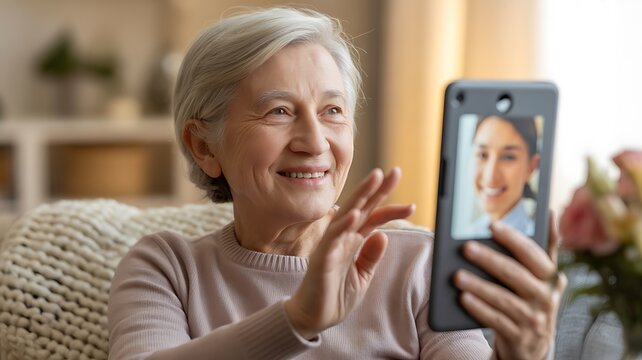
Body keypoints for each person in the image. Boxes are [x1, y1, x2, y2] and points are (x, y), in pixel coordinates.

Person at [107, 7, 565, 360]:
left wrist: (523, 354)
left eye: (332, 111)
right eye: (279, 112)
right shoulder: (167, 269)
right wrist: (297, 319)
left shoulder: (418, 266)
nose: (314, 141)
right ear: (204, 146)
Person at [468, 115, 541, 237]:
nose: (490, 176)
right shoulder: (470, 233)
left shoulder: (537, 243)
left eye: (508, 157)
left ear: (532, 166)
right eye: (482, 155)